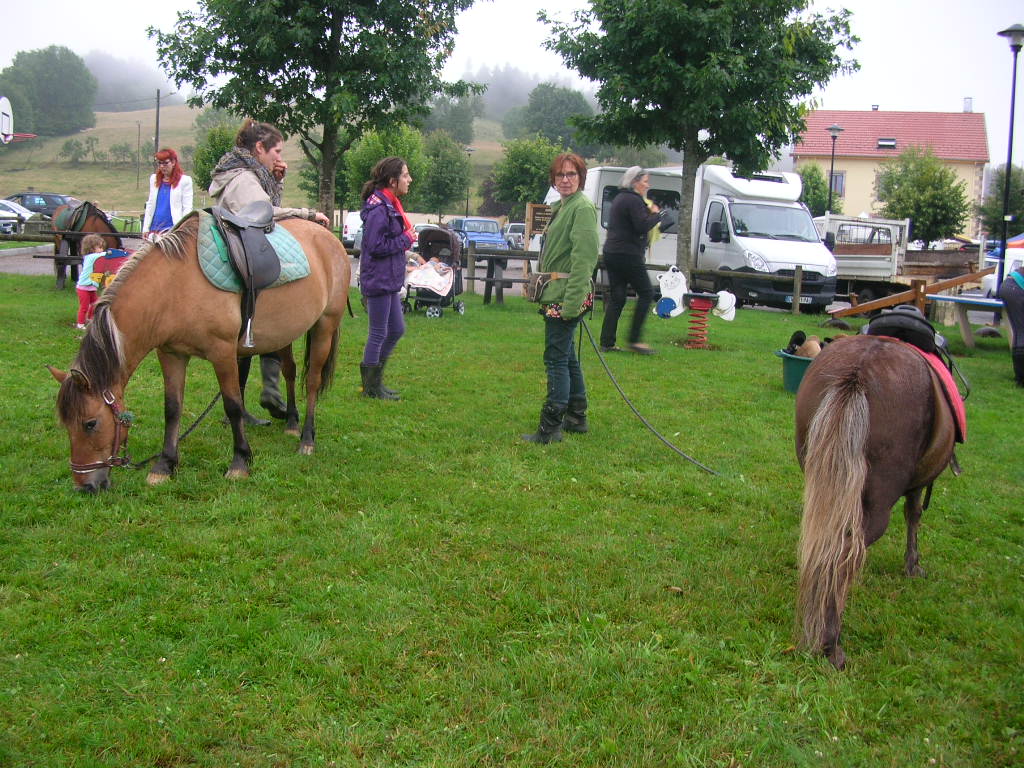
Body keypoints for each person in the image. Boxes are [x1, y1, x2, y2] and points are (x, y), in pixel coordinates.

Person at [209, 119, 330, 423]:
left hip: (242, 248)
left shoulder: (243, 172)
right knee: (268, 312)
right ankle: (266, 392)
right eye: (275, 151)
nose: (279, 157)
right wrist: (307, 214)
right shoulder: (244, 178)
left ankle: (256, 397)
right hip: (248, 251)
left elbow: (263, 205)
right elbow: (265, 213)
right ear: (259, 148)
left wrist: (277, 181)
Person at [522, 152, 599, 444]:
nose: (565, 180)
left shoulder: (582, 208)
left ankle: (550, 427)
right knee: (566, 356)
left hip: (566, 295)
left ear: (581, 177)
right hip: (557, 293)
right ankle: (576, 417)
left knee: (555, 359)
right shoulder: (563, 206)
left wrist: (572, 303)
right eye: (559, 175)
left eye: (571, 174)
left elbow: (584, 260)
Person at [358, 156, 416, 400]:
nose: (409, 179)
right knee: (379, 332)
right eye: (405, 175)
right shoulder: (380, 209)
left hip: (389, 279)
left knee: (397, 329)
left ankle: (376, 381)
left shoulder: (390, 204)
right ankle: (371, 387)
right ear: (392, 181)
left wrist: (405, 240)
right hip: (378, 279)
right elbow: (375, 245)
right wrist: (406, 239)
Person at [599, 166, 666, 355]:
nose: (647, 185)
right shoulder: (632, 200)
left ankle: (607, 342)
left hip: (612, 252)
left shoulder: (620, 198)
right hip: (627, 253)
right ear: (635, 182)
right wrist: (657, 215)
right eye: (645, 181)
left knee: (618, 297)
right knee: (646, 293)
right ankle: (635, 340)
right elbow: (641, 226)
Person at [142, 148, 194, 240]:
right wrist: (145, 228)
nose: (162, 166)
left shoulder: (185, 181)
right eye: (159, 163)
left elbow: (187, 209)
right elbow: (150, 204)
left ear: (173, 162)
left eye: (165, 163)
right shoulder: (153, 179)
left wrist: (181, 229)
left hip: (172, 230)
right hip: (153, 230)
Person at [998, 261, 1024, 386]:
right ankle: (1021, 378)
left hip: (1011, 286)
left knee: (1020, 331)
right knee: (1021, 331)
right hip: (1015, 287)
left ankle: (1020, 376)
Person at [74, 234, 108, 329]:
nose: (102, 250)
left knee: (95, 304)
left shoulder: (95, 257)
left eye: (102, 248)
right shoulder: (91, 257)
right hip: (83, 287)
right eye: (100, 247)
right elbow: (104, 255)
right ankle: (80, 324)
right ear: (92, 248)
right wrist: (112, 253)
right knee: (84, 306)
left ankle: (90, 319)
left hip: (91, 287)